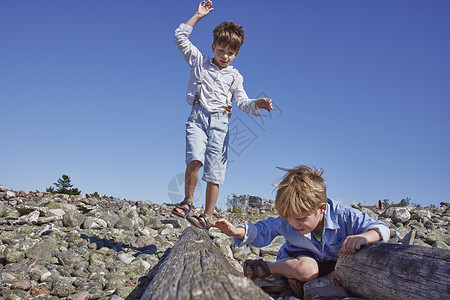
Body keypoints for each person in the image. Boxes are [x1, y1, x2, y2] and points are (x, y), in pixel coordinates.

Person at [211, 165, 390, 297]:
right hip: (301, 257)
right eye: (289, 217)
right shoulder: (289, 221)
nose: (294, 224)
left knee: (346, 270)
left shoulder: (343, 215)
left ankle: (310, 285)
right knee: (307, 271)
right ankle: (269, 268)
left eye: (301, 218)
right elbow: (263, 229)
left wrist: (365, 237)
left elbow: (381, 228)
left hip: (333, 263)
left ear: (321, 208)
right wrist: (236, 231)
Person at [171, 0, 273, 230]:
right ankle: (187, 201)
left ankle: (207, 215)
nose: (225, 56)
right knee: (195, 158)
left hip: (220, 123)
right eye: (221, 51)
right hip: (198, 117)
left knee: (214, 171)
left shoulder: (235, 77)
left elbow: (243, 103)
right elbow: (180, 38)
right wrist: (197, 16)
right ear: (213, 47)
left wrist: (257, 102)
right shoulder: (200, 62)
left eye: (230, 53)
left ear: (236, 54)